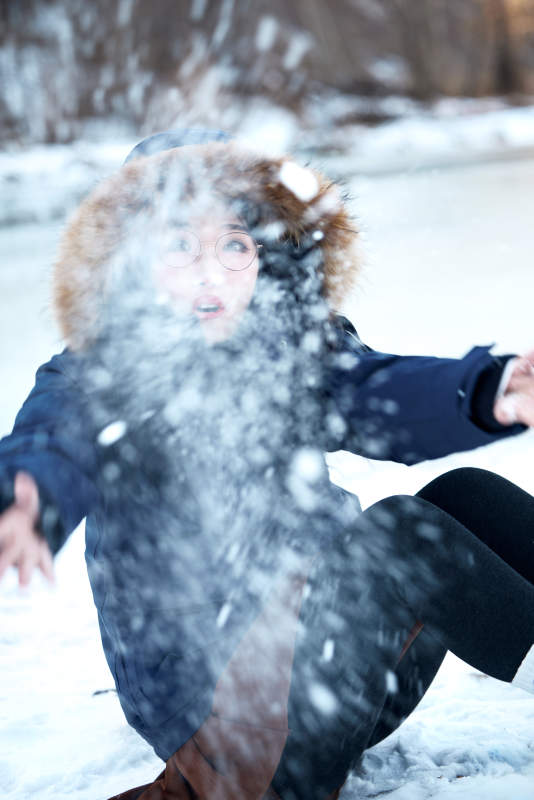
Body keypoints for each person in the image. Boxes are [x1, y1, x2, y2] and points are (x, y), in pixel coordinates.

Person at [0, 130, 533, 800]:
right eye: (179, 246)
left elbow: (379, 393)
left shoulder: (286, 351)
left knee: (464, 496)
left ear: (264, 256)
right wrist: (27, 497)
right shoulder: (104, 376)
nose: (211, 274)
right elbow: (55, 441)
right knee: (400, 536)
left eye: (234, 245)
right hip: (235, 735)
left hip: (340, 676)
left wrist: (484, 392)